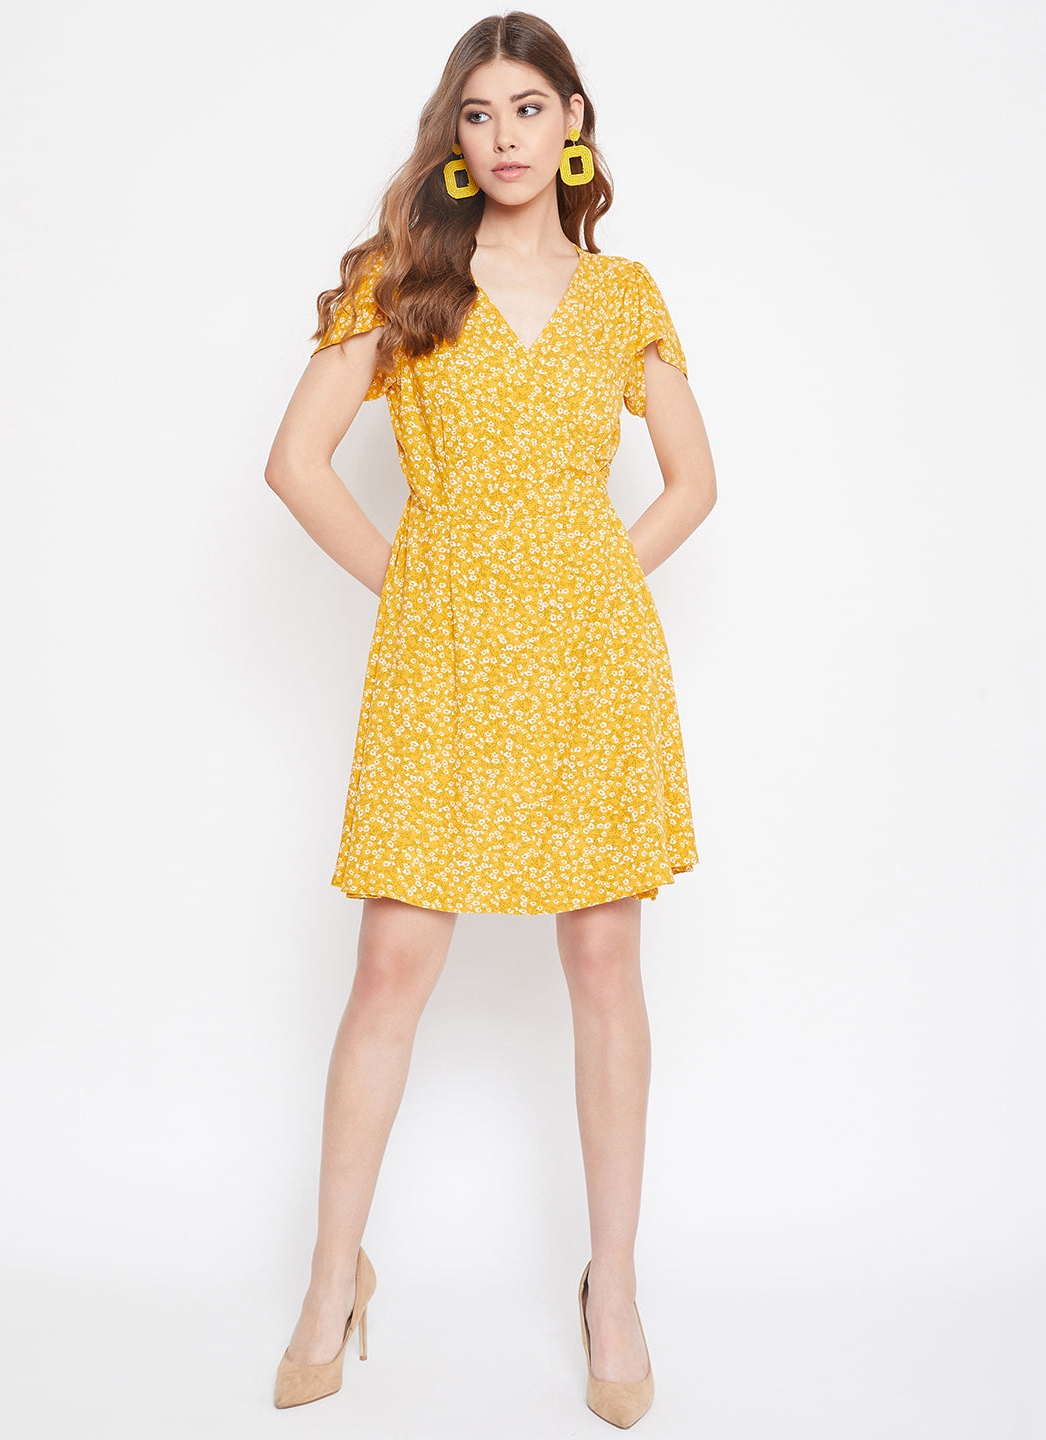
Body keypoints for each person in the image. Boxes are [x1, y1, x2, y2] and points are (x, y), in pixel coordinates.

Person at [263, 10, 716, 1428]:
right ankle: (332, 1282)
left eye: (529, 108)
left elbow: (694, 482)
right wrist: (420, 585)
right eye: (479, 112)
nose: (505, 134)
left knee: (604, 961)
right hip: (444, 660)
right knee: (391, 965)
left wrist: (587, 587)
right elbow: (295, 463)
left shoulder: (624, 292)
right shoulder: (405, 281)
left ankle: (614, 1292)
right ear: (454, 138)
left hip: (589, 663)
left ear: (572, 122)